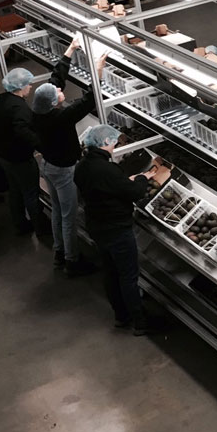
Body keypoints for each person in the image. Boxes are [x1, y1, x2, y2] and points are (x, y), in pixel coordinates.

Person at [31, 41, 107, 277]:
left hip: (48, 166)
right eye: (59, 94)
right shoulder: (61, 118)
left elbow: (55, 80)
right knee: (68, 217)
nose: (62, 91)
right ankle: (72, 261)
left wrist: (71, 50)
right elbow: (89, 100)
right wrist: (97, 70)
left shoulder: (39, 111)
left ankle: (58, 250)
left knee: (56, 211)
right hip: (64, 171)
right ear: (55, 103)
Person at [74, 124, 156, 334]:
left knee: (110, 273)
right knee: (128, 276)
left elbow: (101, 188)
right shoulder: (108, 169)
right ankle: (140, 322)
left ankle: (121, 315)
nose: (114, 146)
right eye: (113, 142)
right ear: (105, 143)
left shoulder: (83, 166)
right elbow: (134, 193)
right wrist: (141, 178)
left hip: (97, 226)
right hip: (117, 229)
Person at [0, 43, 79, 238]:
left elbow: (55, 81)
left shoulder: (2, 99)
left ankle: (20, 224)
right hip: (18, 158)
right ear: (21, 87)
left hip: (2, 155)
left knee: (15, 190)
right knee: (31, 193)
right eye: (29, 84)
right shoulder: (21, 110)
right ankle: (42, 229)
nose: (31, 86)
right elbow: (24, 131)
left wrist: (69, 52)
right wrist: (44, 147)